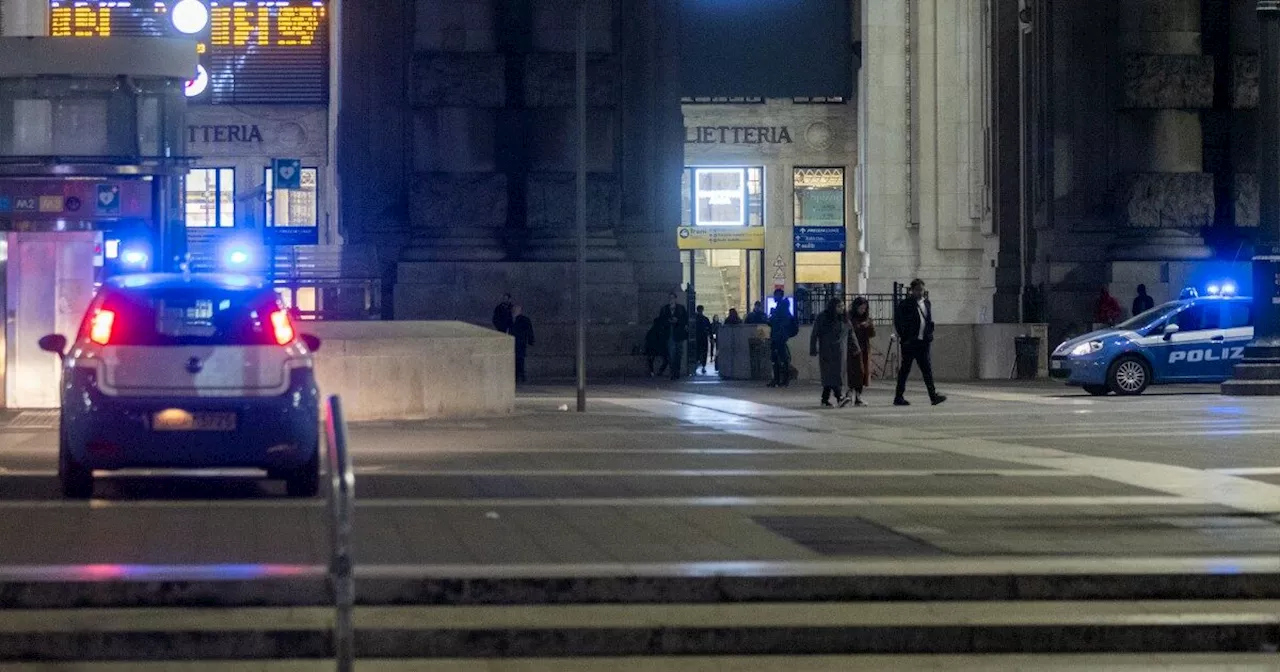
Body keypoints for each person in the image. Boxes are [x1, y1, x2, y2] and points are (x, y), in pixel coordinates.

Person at [893, 279, 946, 407]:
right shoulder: (905, 304)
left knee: (927, 370)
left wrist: (929, 333)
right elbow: (898, 321)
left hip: (923, 342)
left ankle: (933, 396)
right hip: (910, 343)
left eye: (921, 290)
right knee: (905, 370)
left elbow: (928, 319)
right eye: (917, 290)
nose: (920, 292)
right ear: (912, 290)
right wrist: (905, 337)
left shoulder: (926, 303)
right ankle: (898, 396)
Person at [810, 297, 851, 407]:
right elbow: (815, 333)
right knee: (832, 375)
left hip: (839, 351)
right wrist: (813, 348)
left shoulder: (843, 318)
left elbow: (849, 333)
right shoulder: (823, 317)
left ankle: (825, 399)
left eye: (842, 306)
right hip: (827, 351)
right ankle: (839, 397)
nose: (841, 308)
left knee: (832, 376)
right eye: (839, 306)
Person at [767, 289, 798, 388]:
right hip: (781, 336)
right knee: (780, 358)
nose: (774, 297)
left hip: (778, 336)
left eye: (775, 295)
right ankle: (781, 379)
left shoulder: (781, 308)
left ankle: (780, 379)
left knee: (778, 358)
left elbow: (774, 322)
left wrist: (771, 315)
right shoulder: (783, 307)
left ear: (779, 295)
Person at [847, 296, 875, 405]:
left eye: (864, 308)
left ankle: (858, 396)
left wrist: (869, 326)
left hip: (864, 348)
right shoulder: (850, 317)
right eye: (861, 308)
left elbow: (872, 334)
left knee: (863, 372)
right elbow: (850, 331)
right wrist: (860, 326)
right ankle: (850, 394)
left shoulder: (866, 318)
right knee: (855, 372)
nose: (863, 311)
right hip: (853, 349)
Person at [657, 292, 689, 380]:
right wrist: (668, 321)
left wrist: (677, 321)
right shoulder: (664, 309)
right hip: (669, 334)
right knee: (671, 355)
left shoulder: (681, 308)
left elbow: (685, 320)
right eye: (670, 298)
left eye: (673, 298)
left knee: (678, 354)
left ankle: (677, 372)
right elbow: (661, 321)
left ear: (675, 299)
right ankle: (673, 372)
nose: (671, 299)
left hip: (678, 334)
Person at [508, 304, 535, 384]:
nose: (514, 310)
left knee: (520, 359)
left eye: (516, 309)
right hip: (513, 342)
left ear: (520, 311)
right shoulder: (510, 319)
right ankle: (517, 375)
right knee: (515, 359)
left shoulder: (525, 320)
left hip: (520, 342)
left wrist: (530, 340)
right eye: (514, 309)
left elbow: (529, 331)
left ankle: (520, 375)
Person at [694, 305, 713, 375]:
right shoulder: (705, 319)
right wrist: (711, 338)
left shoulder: (694, 319)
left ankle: (697, 365)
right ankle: (703, 366)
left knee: (697, 352)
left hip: (697, 338)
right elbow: (709, 329)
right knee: (704, 352)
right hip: (704, 337)